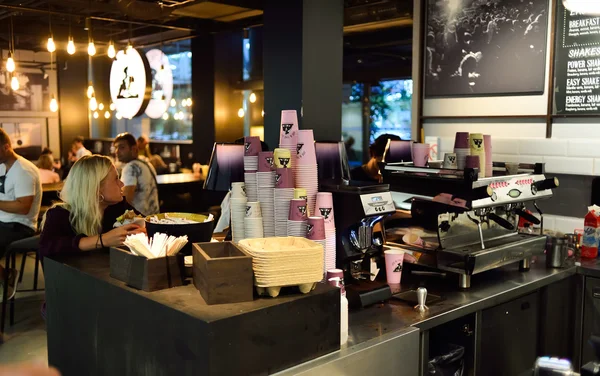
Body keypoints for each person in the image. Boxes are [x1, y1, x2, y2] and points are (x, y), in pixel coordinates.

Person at [40, 155, 146, 258]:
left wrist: (143, 229)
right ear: (97, 188)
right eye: (116, 179)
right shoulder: (60, 215)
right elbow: (47, 248)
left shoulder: (117, 207)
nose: (122, 184)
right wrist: (103, 240)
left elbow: (147, 224)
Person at [0, 128, 42, 300]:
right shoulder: (3, 167)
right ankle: (6, 275)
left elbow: (23, 207)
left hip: (21, 226)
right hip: (4, 222)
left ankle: (6, 277)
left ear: (6, 147)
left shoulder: (24, 170)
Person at [114, 133, 160, 215]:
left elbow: (125, 200)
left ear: (134, 149)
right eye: (116, 147)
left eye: (122, 147)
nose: (117, 151)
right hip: (154, 217)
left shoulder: (130, 167)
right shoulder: (146, 162)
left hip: (140, 220)